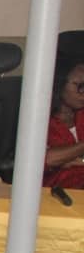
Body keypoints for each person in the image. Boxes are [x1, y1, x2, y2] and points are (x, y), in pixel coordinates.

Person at [44, 57, 84, 189]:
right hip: (53, 196)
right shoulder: (41, 120)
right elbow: (46, 160)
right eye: (80, 86)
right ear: (59, 83)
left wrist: (71, 158)